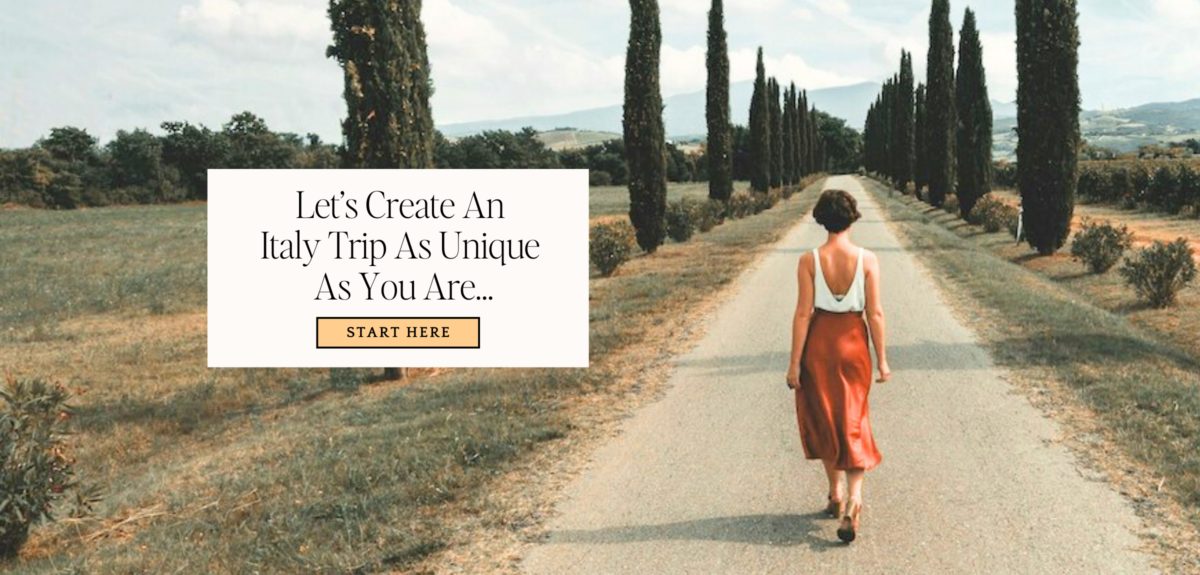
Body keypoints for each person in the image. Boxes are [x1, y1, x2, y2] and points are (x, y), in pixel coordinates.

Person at [785, 189, 891, 544]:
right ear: (852, 217)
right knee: (854, 419)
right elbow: (875, 313)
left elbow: (803, 313)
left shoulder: (809, 260)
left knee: (827, 418)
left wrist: (794, 364)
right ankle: (855, 498)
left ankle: (835, 495)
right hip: (853, 343)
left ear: (820, 219)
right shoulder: (868, 259)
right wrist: (883, 360)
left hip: (819, 344)